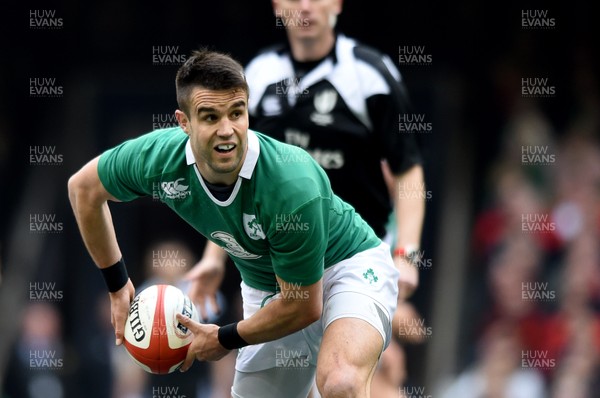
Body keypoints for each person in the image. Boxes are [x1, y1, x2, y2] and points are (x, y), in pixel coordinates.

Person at [67, 48, 399, 398]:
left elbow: (304, 305)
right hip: (271, 291)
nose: (227, 131)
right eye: (210, 117)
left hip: (349, 268)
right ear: (184, 122)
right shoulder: (158, 159)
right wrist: (118, 286)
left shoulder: (290, 183)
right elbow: (84, 189)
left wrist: (223, 337)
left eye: (236, 113)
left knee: (340, 382)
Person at [242, 0, 426, 395]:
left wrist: (407, 255)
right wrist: (212, 258)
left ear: (338, 4)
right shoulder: (257, 77)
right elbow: (234, 177)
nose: (305, 6)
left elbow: (408, 169)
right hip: (280, 264)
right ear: (277, 5)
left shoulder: (370, 74)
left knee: (349, 380)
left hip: (356, 255)